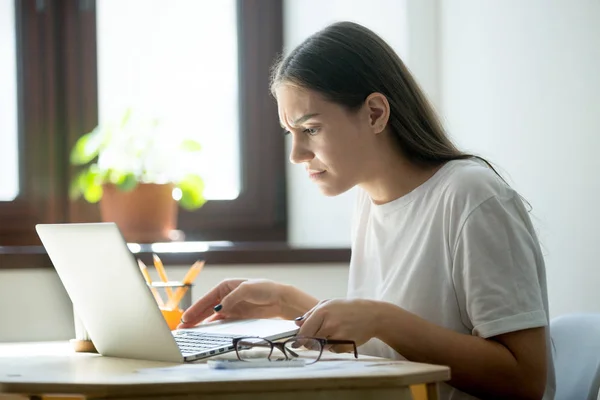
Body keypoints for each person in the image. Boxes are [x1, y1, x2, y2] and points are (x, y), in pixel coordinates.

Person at [179, 21, 554, 400]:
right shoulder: (368, 200)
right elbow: (385, 347)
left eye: (310, 129)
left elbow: (525, 380)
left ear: (375, 113)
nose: (297, 155)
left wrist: (382, 318)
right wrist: (288, 301)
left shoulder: (471, 196)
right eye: (289, 133)